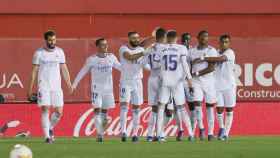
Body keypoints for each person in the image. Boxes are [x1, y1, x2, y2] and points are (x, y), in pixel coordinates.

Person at [72, 38, 121, 142]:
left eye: (106, 44)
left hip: (108, 90)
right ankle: (99, 135)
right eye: (103, 45)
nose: (105, 46)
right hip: (96, 89)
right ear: (98, 47)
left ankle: (101, 131)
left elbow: (121, 68)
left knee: (104, 112)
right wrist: (74, 84)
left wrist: (132, 70)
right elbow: (82, 72)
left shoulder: (111, 57)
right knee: (97, 110)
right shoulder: (92, 59)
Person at [27, 30, 72, 143]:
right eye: (50, 40)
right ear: (46, 40)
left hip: (56, 86)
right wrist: (30, 89)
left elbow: (64, 69)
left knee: (59, 112)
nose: (52, 42)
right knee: (45, 109)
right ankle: (47, 136)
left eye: (54, 40)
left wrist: (69, 84)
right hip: (44, 85)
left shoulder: (60, 52)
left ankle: (50, 128)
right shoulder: (39, 53)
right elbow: (34, 72)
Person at [194, 34, 236, 140]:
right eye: (222, 42)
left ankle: (226, 133)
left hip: (229, 85)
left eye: (226, 42)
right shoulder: (215, 52)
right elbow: (212, 65)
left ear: (229, 43)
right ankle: (222, 129)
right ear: (219, 42)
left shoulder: (230, 52)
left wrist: (203, 58)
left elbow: (221, 59)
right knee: (219, 109)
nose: (224, 44)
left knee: (229, 109)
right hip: (217, 85)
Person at [157, 30, 194, 142]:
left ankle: (159, 135)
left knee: (161, 108)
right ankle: (191, 134)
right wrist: (190, 81)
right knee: (182, 108)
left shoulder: (161, 48)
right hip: (177, 82)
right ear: (176, 38)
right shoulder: (181, 48)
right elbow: (184, 64)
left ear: (167, 38)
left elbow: (160, 65)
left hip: (165, 82)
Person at [190, 30, 218, 141]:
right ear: (197, 38)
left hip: (209, 81)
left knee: (210, 106)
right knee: (197, 103)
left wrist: (196, 73)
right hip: (196, 82)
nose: (204, 39)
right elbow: (188, 64)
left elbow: (211, 67)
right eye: (202, 37)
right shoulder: (192, 51)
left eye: (206, 37)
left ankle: (210, 132)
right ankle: (201, 129)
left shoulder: (211, 50)